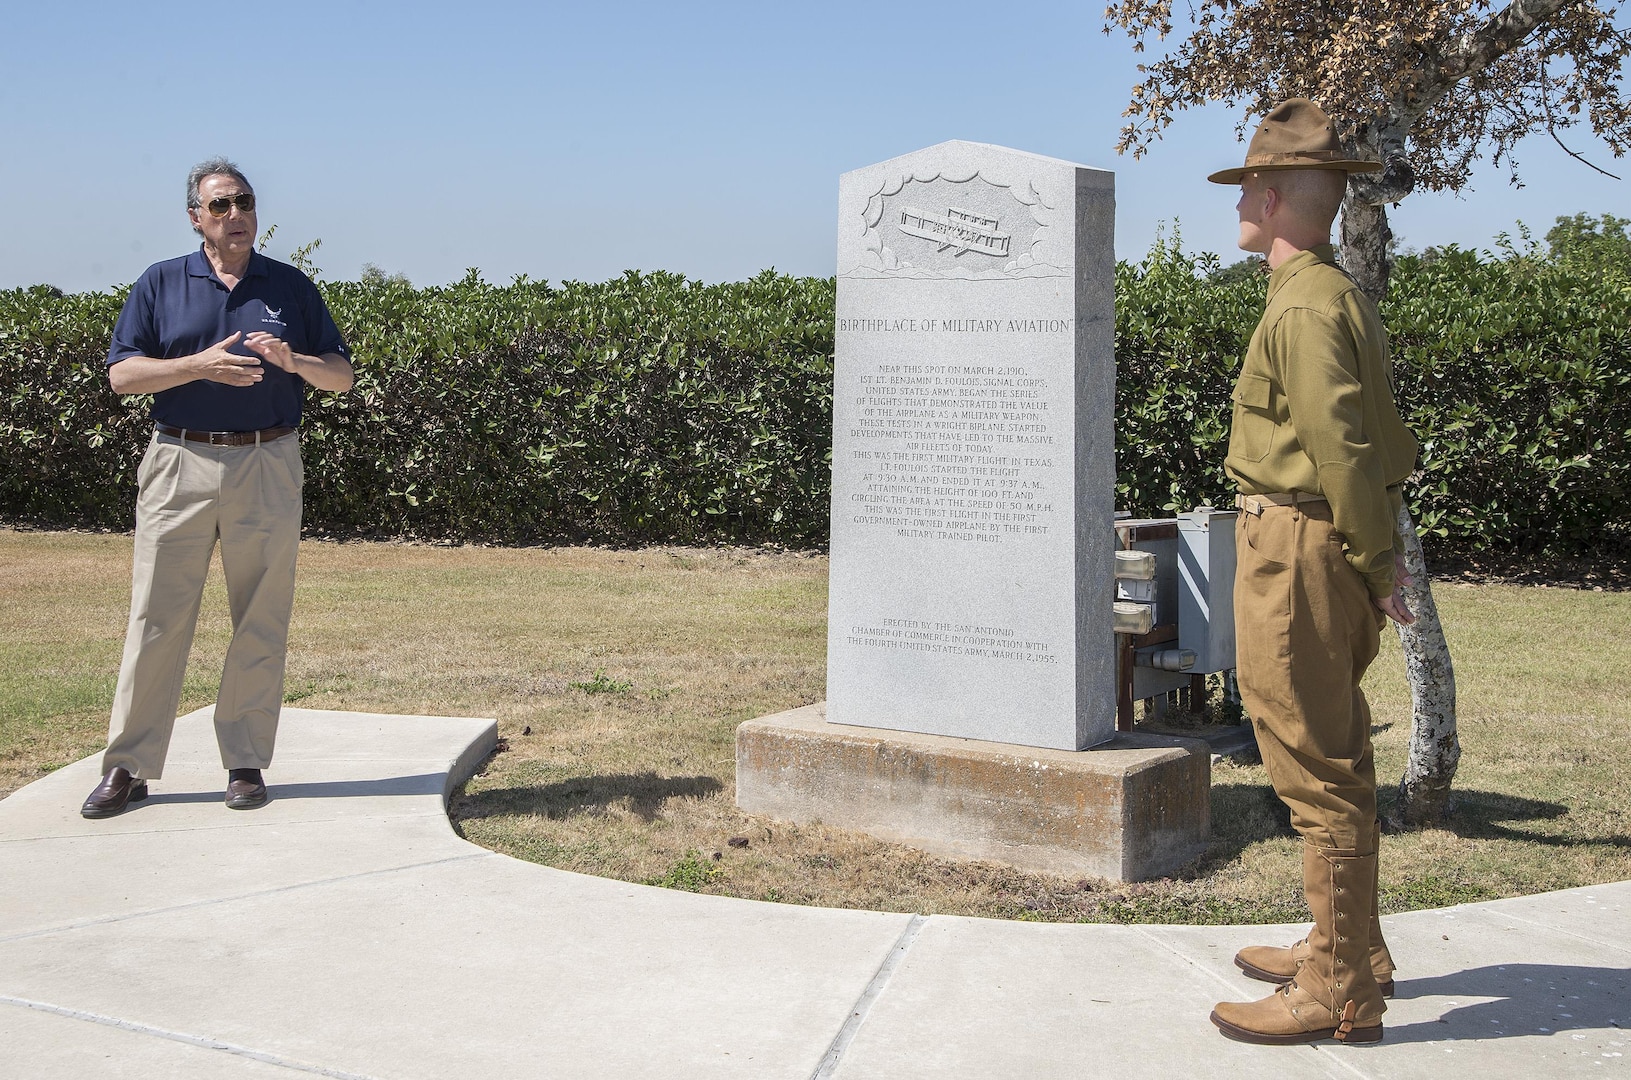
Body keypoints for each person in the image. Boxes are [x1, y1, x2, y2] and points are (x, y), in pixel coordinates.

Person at [1204, 100, 1420, 1045]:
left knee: (1309, 761)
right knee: (1333, 743)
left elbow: (1342, 449)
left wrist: (1375, 566)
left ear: (1275, 192)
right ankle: (1351, 946)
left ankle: (1336, 991)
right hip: (1307, 542)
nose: (1240, 200)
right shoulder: (1322, 293)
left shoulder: (1304, 305)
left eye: (1249, 185)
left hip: (1297, 547)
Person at [80, 158, 353, 819]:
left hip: (266, 463)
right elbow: (122, 376)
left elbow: (339, 376)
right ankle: (130, 765)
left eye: (245, 202)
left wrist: (297, 362)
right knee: (155, 617)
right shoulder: (161, 283)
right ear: (196, 217)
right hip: (179, 463)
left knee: (261, 616)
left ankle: (245, 761)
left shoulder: (289, 287)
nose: (236, 214)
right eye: (222, 204)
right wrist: (195, 366)